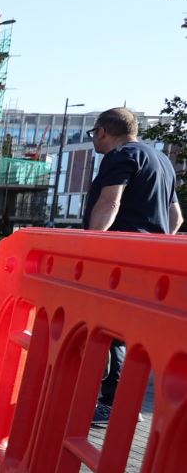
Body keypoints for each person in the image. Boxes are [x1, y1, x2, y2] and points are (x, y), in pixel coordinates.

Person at [82, 107, 182, 425]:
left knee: (108, 329)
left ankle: (114, 403)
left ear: (102, 131)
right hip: (148, 263)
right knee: (126, 333)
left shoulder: (121, 155)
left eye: (93, 134)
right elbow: (177, 217)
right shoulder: (162, 161)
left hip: (119, 260)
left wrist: (90, 247)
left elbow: (110, 202)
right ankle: (121, 403)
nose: (94, 140)